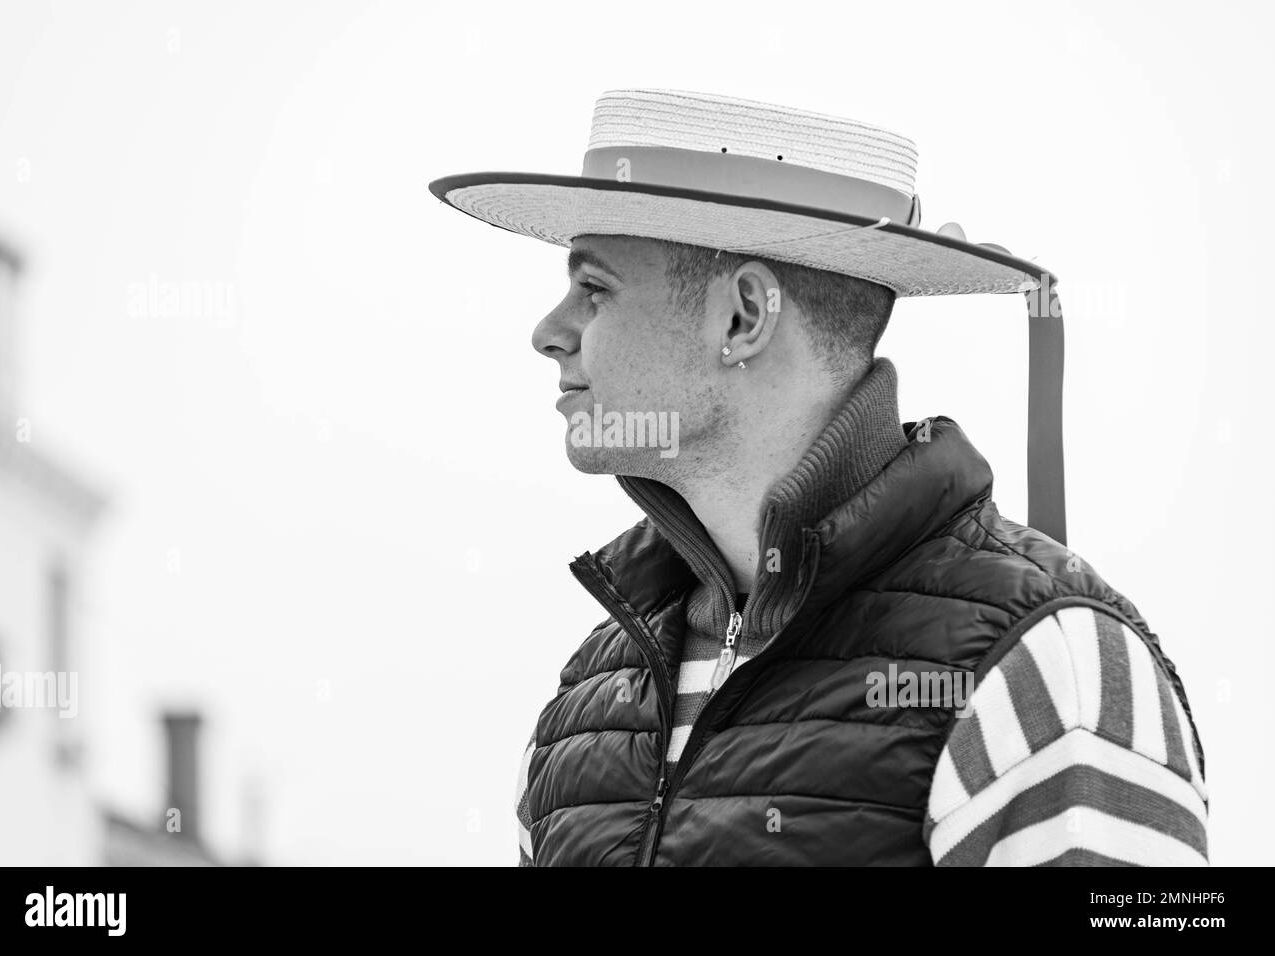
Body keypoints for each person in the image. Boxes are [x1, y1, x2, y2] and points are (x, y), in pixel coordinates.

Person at [428, 88, 1207, 866]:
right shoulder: (587, 699)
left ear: (743, 317)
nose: (548, 332)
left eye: (593, 288)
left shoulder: (1049, 668)